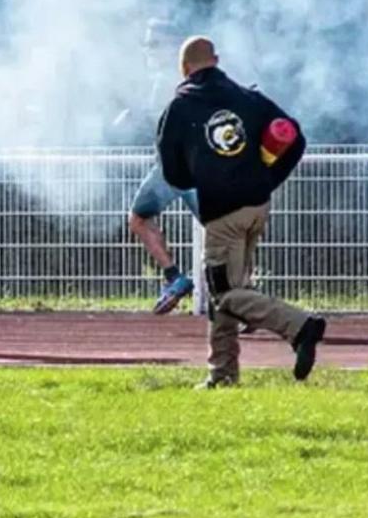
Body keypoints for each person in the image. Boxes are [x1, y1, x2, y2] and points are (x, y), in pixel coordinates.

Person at [156, 36, 326, 388]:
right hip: (257, 206)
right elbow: (294, 137)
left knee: (224, 294)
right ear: (216, 60)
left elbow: (172, 172)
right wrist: (268, 179)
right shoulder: (249, 98)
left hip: (222, 212)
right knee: (233, 288)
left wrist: (200, 176)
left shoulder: (179, 108)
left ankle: (300, 327)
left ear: (184, 68)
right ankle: (222, 374)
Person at [121, 19, 202, 315]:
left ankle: (236, 295)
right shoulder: (172, 80)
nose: (148, 50)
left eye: (154, 44)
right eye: (147, 44)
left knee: (221, 231)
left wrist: (135, 117)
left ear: (172, 46)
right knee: (139, 219)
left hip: (181, 170)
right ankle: (179, 279)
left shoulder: (180, 80)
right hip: (177, 169)